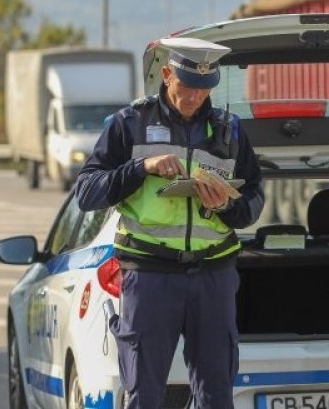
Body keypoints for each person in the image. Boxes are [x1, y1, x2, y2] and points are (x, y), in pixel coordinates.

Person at [75, 37, 263, 409]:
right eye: (188, 86)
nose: (195, 97)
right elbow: (87, 192)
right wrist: (141, 168)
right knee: (145, 394)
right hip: (149, 275)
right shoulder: (129, 123)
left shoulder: (231, 130)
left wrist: (226, 205)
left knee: (217, 395)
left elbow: (253, 202)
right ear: (166, 75)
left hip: (214, 274)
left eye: (205, 89)